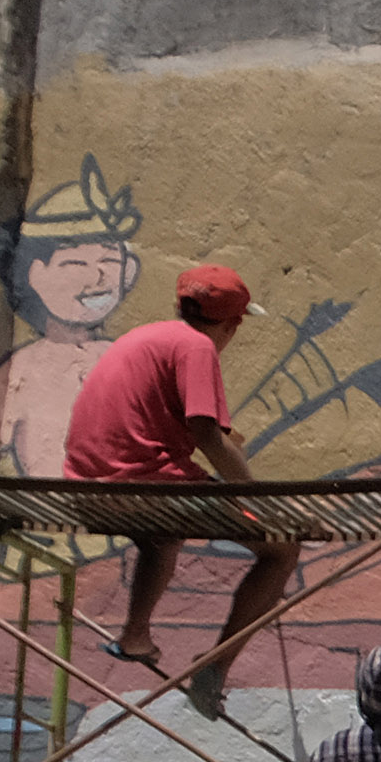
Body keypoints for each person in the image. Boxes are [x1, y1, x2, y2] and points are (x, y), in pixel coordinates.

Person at [66, 262, 303, 718]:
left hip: (88, 482)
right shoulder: (196, 348)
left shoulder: (142, 338)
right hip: (145, 485)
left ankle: (136, 634)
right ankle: (215, 666)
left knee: (162, 536)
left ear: (179, 304)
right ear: (233, 324)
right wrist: (257, 500)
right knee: (282, 547)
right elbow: (207, 434)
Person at [0, 157, 141, 478]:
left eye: (110, 261)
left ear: (129, 272)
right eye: (75, 264)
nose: (98, 277)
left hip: (115, 505)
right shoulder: (22, 366)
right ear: (34, 275)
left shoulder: (125, 360)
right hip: (48, 506)